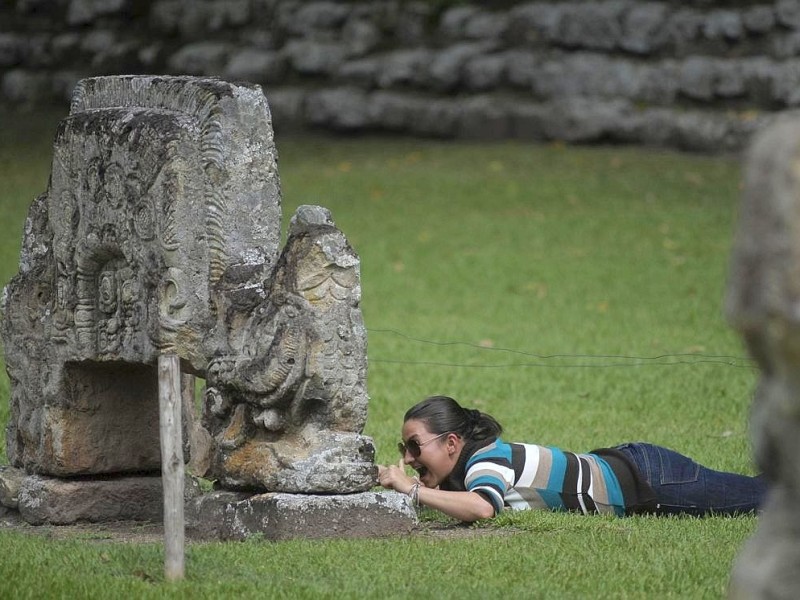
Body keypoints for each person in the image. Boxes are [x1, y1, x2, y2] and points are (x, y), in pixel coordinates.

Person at [376, 395, 767, 522]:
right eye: (403, 450)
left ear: (450, 443)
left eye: (414, 446)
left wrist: (411, 489)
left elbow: (481, 508)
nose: (408, 459)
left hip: (651, 480)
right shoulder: (468, 466)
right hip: (637, 467)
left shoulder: (485, 463)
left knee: (761, 498)